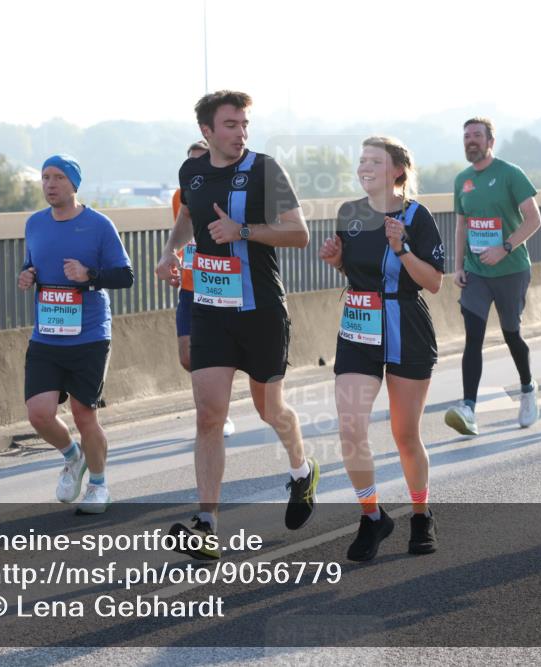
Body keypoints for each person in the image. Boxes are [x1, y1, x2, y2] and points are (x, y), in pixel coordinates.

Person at [155, 91, 318, 558]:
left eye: (244, 123)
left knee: (271, 411)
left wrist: (243, 231)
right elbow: (189, 214)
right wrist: (171, 251)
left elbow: (300, 233)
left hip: (261, 310)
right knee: (209, 415)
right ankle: (206, 524)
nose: (240, 132)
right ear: (207, 132)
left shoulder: (267, 169)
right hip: (209, 307)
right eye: (230, 124)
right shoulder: (193, 172)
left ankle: (301, 470)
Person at [319, 137, 445, 561]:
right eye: (362, 160)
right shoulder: (349, 213)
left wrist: (402, 248)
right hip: (358, 327)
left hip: (406, 326)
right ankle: (371, 516)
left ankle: (421, 513)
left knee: (404, 434)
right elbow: (357, 269)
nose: (365, 166)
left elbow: (433, 281)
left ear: (397, 171)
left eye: (375, 160)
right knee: (351, 429)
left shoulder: (416, 216)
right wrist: (337, 260)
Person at [18, 154, 134, 514]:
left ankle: (99, 486)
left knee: (85, 415)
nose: (50, 184)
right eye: (45, 177)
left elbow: (125, 276)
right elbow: (31, 263)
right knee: (38, 413)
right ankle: (73, 456)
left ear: (74, 184)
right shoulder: (35, 223)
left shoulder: (99, 225)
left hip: (89, 335)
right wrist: (27, 276)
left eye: (58, 178)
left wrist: (89, 275)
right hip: (47, 334)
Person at [444, 117, 541, 436]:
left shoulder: (510, 174)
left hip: (511, 270)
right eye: (466, 136)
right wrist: (458, 266)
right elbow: (462, 225)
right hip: (476, 272)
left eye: (476, 135)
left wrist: (506, 247)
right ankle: (468, 409)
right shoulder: (462, 180)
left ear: (490, 141)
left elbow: (534, 219)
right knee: (473, 335)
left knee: (511, 333)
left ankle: (527, 389)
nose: (470, 140)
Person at [171, 140, 235, 437]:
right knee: (187, 356)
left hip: (222, 285)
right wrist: (170, 259)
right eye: (191, 164)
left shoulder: (227, 194)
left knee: (220, 355)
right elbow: (181, 236)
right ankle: (213, 406)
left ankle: (218, 410)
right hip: (189, 286)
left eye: (202, 161)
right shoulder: (179, 197)